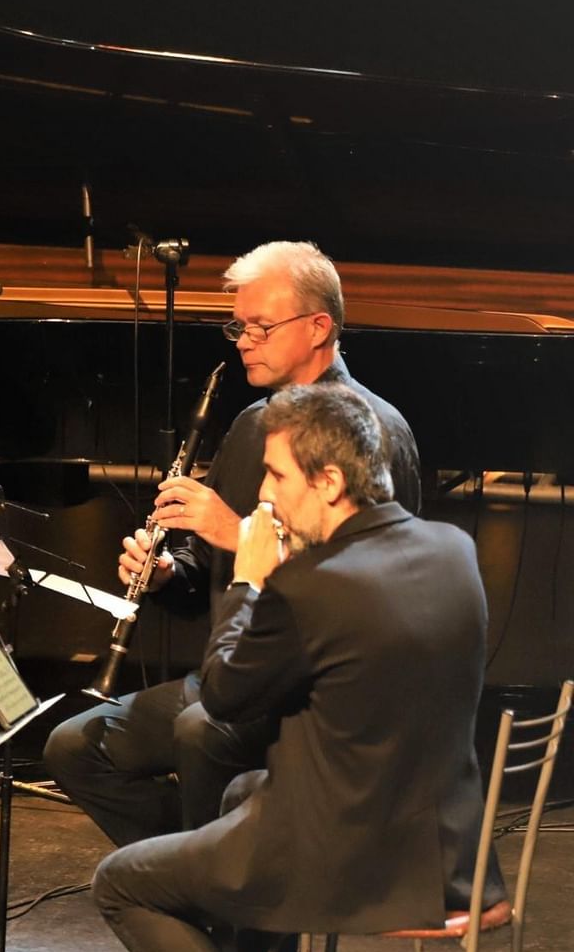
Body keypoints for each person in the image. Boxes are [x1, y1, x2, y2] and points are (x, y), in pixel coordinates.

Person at [93, 382, 498, 952]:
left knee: (120, 881)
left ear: (329, 481)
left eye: (277, 476)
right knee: (244, 795)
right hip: (448, 851)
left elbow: (222, 694)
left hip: (353, 856)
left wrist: (251, 578)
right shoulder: (453, 549)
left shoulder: (311, 586)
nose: (265, 498)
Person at [45, 241, 423, 854]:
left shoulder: (372, 432)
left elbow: (365, 592)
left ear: (318, 327)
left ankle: (221, 883)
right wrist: (167, 573)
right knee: (75, 747)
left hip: (322, 695)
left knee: (201, 734)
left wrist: (237, 532)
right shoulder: (252, 425)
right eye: (238, 327)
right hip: (233, 679)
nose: (244, 341)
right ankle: (194, 866)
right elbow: (205, 575)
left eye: (260, 327)